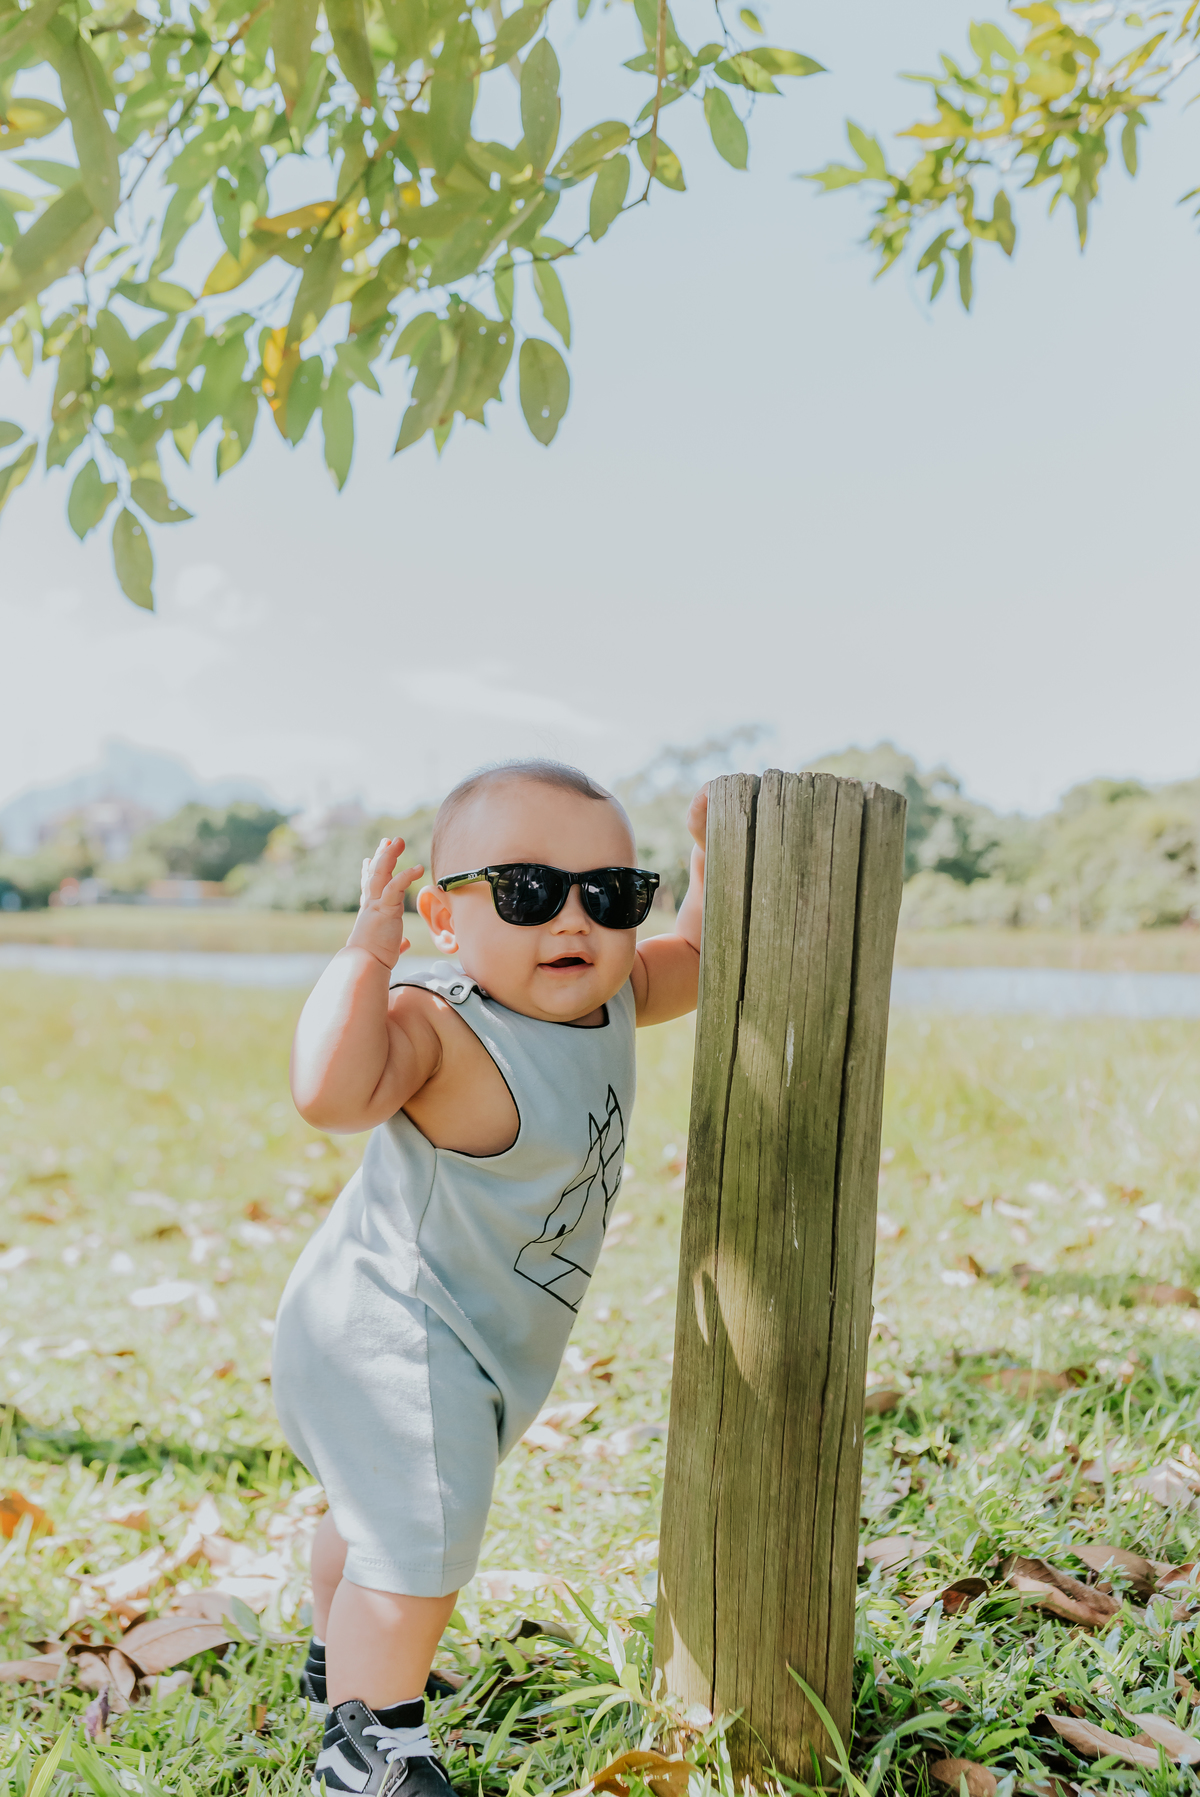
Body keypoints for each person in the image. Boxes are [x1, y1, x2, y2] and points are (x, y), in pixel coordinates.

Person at [273, 759, 707, 1797]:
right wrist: (363, 962)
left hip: (474, 1339)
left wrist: (703, 869)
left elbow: (691, 955)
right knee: (418, 1529)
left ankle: (339, 1669)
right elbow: (330, 1099)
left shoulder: (612, 994)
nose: (574, 921)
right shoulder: (440, 1020)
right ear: (443, 918)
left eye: (609, 896)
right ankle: (370, 1752)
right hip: (387, 1331)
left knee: (377, 1518)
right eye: (527, 892)